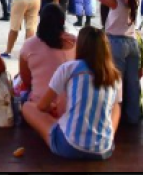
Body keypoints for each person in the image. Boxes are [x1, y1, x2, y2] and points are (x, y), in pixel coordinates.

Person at [22, 26, 123, 160]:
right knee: (116, 105)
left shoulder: (69, 68)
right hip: (103, 149)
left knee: (28, 107)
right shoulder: (114, 75)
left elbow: (41, 107)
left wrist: (50, 108)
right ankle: (107, 137)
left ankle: (69, 130)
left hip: (69, 146)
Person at [94, 0, 142, 124]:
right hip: (132, 43)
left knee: (116, 82)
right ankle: (133, 116)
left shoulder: (115, 3)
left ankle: (116, 117)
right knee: (133, 81)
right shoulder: (133, 0)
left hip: (116, 43)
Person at [19, 3, 76, 117]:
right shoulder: (75, 42)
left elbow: (26, 80)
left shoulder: (29, 45)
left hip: (40, 105)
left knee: (22, 94)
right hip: (69, 106)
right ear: (63, 22)